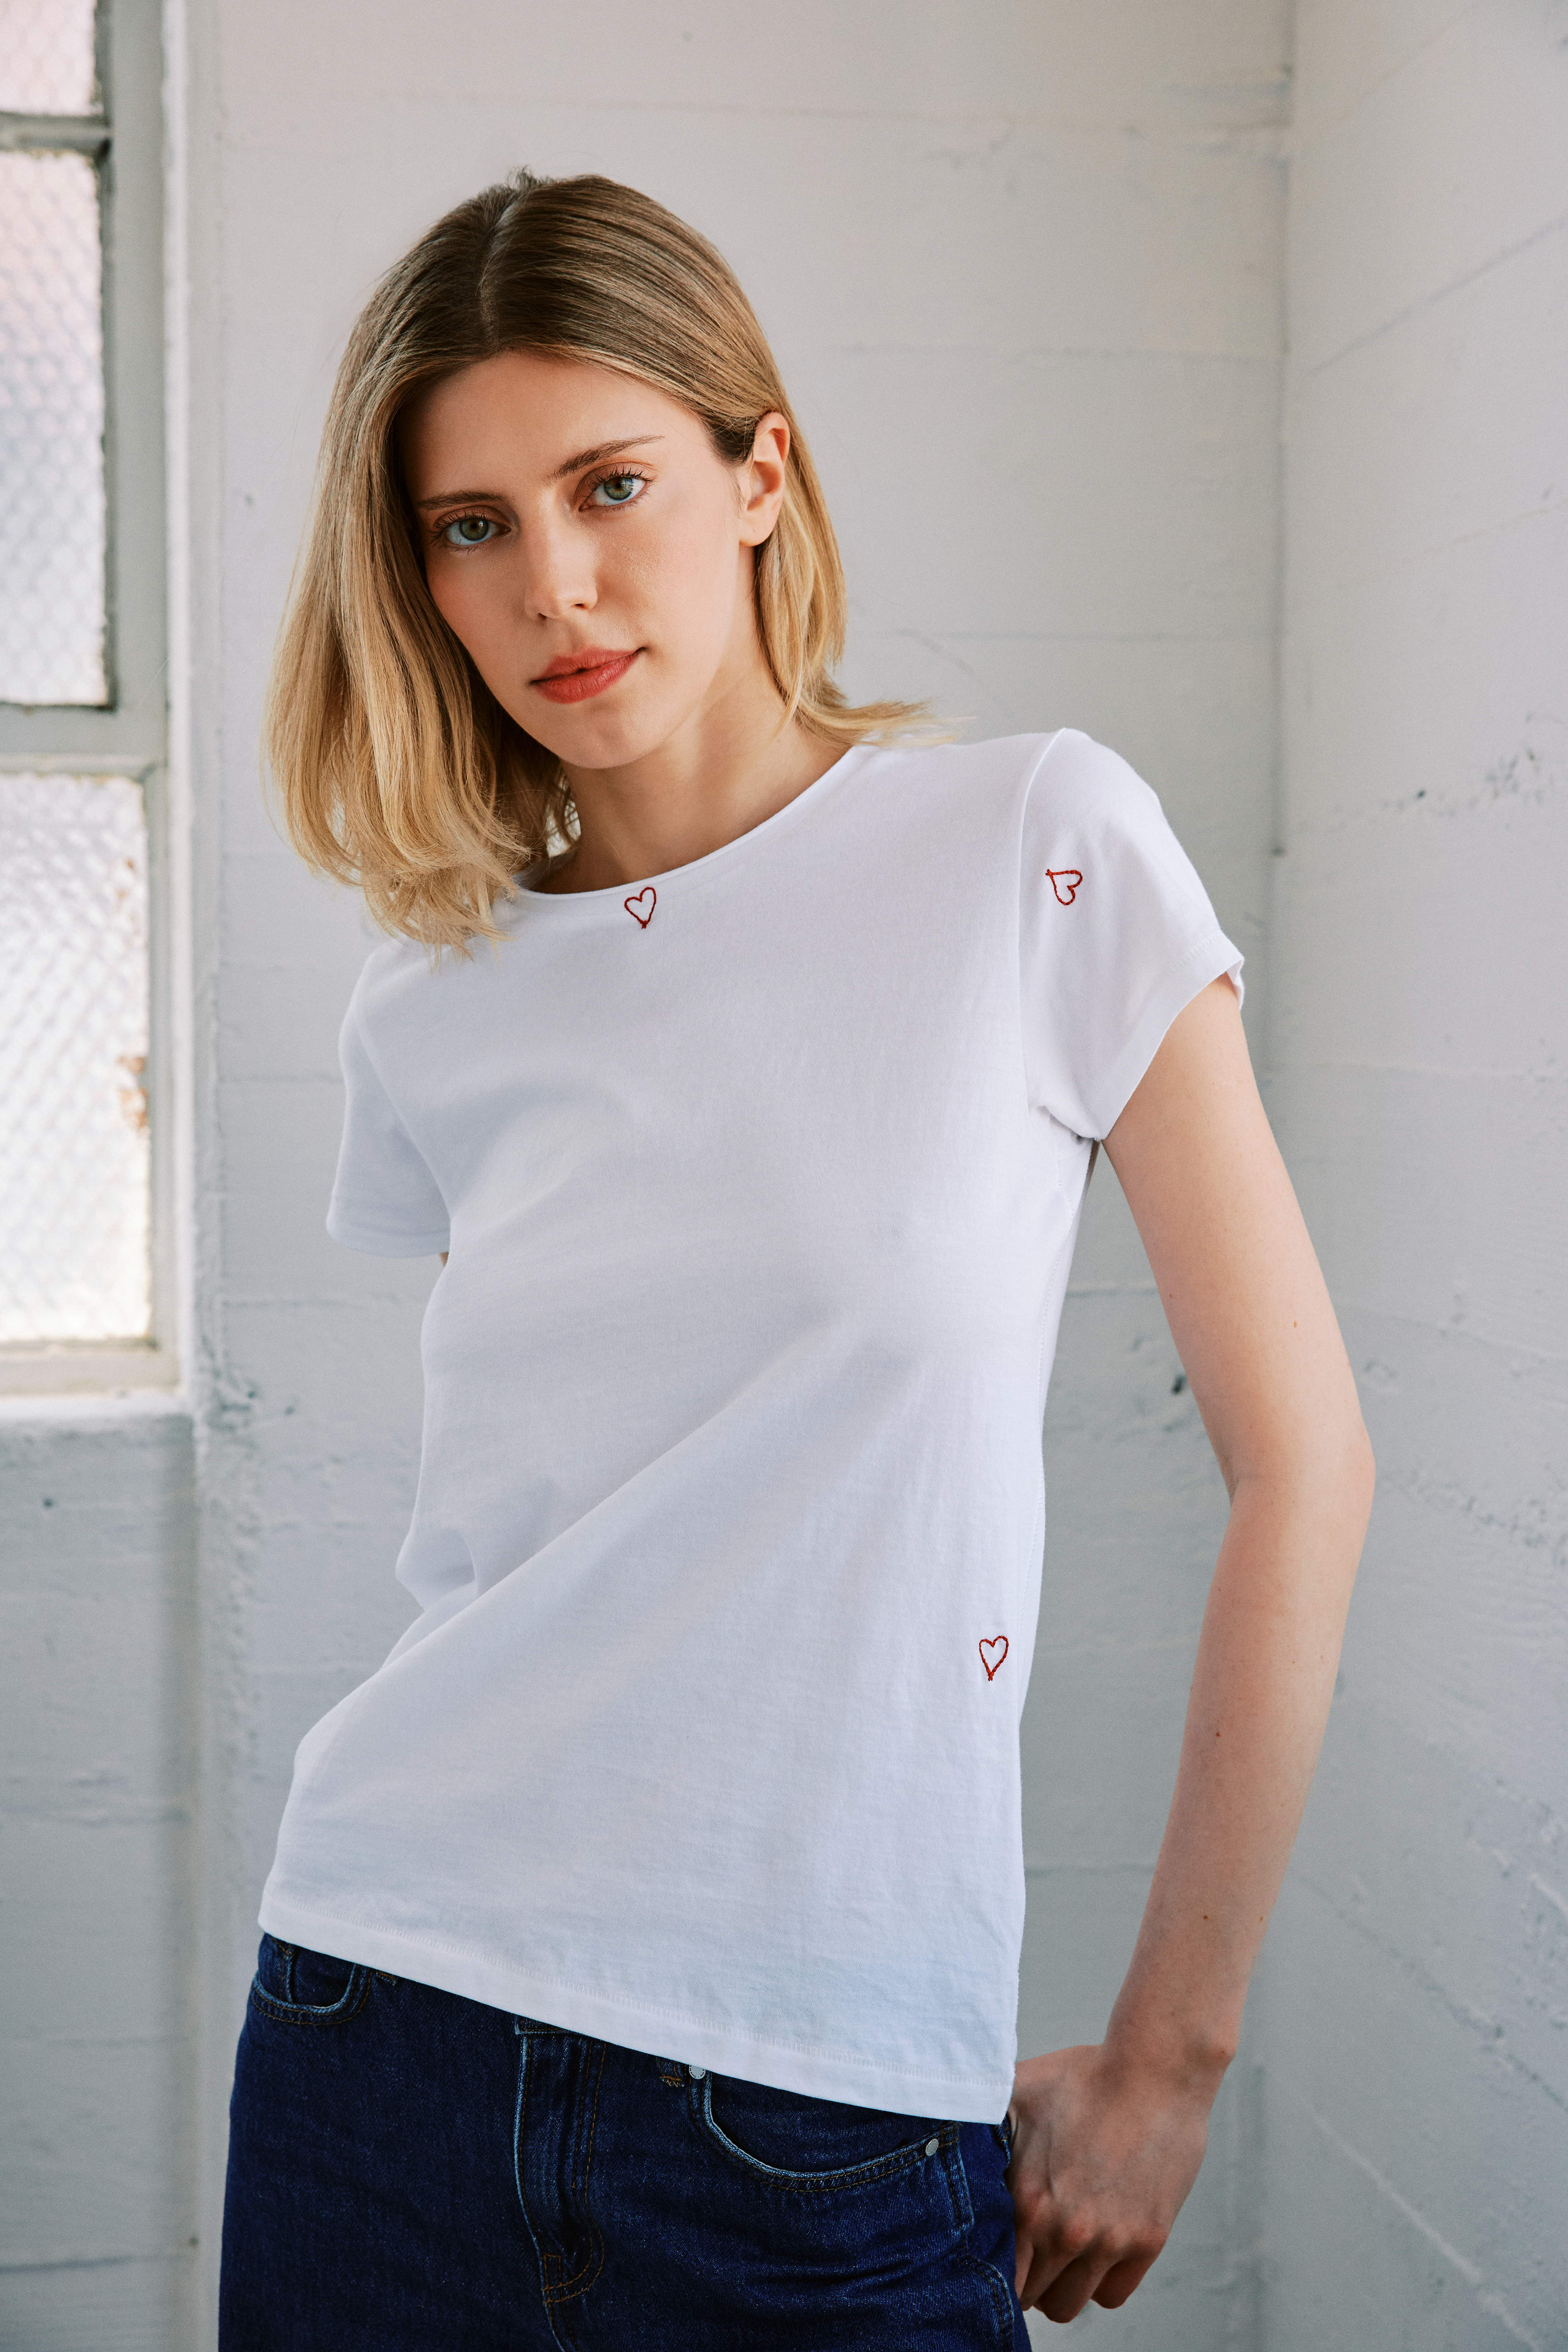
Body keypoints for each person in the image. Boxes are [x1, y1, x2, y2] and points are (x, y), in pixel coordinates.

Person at [220, 170, 1373, 2348]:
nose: (554, 583)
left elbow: (1307, 1463)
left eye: (611, 482)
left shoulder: (1037, 842)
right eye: (471, 524)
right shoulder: (439, 997)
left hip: (825, 2101)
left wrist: (1169, 2058)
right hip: (384, 2021)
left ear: (763, 476)